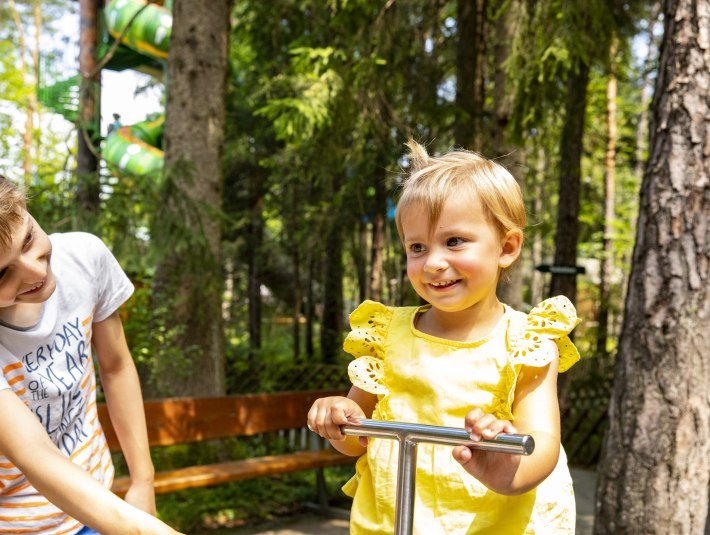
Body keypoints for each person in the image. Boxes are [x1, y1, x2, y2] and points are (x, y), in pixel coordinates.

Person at [307, 140, 581, 533]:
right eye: (417, 247)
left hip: (490, 521)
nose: (433, 262)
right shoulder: (385, 336)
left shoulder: (528, 341)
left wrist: (509, 466)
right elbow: (356, 438)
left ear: (506, 247)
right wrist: (339, 418)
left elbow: (543, 443)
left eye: (454, 241)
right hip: (396, 517)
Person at [0, 177, 181, 534]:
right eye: (2, 273)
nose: (36, 271)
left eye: (30, 239)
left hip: (99, 504)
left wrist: (143, 480)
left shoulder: (85, 257)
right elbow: (34, 453)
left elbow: (115, 367)